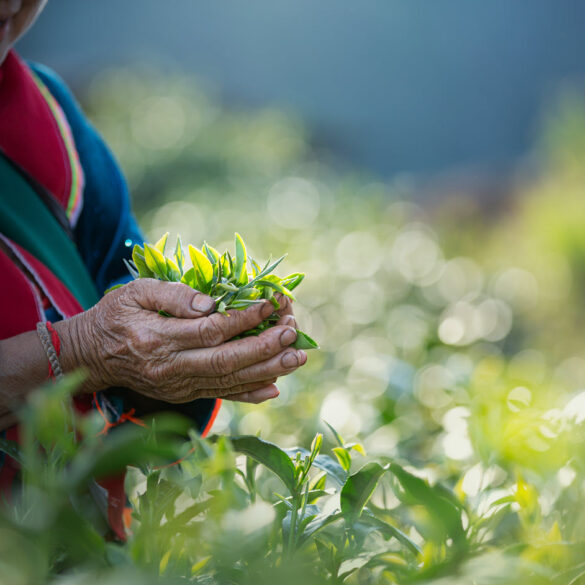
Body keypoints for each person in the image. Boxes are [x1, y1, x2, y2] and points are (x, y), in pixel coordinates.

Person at [0, 0, 306, 537]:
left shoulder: (46, 115)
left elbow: (119, 264)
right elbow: (91, 343)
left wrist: (179, 349)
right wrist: (76, 353)